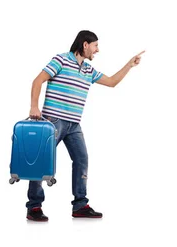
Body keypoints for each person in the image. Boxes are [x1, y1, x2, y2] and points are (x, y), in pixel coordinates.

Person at [26, 30, 145, 221]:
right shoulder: (61, 60)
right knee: (41, 162)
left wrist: (129, 65)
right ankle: (34, 207)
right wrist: (34, 106)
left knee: (82, 160)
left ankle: (80, 205)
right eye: (95, 45)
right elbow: (38, 80)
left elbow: (112, 82)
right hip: (53, 121)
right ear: (85, 45)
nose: (97, 50)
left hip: (74, 125)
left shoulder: (89, 70)